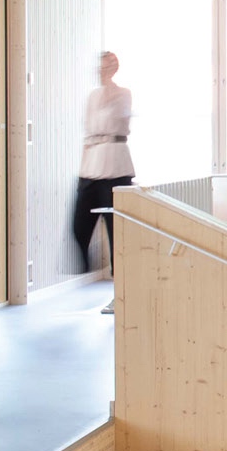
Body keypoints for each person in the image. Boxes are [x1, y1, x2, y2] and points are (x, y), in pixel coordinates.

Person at [73, 51, 134, 310]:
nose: (102, 70)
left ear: (115, 67)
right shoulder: (92, 97)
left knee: (116, 234)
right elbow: (89, 129)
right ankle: (86, 266)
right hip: (91, 167)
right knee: (79, 225)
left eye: (107, 65)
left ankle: (121, 294)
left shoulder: (123, 93)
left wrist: (109, 83)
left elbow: (120, 119)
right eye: (100, 65)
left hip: (116, 166)